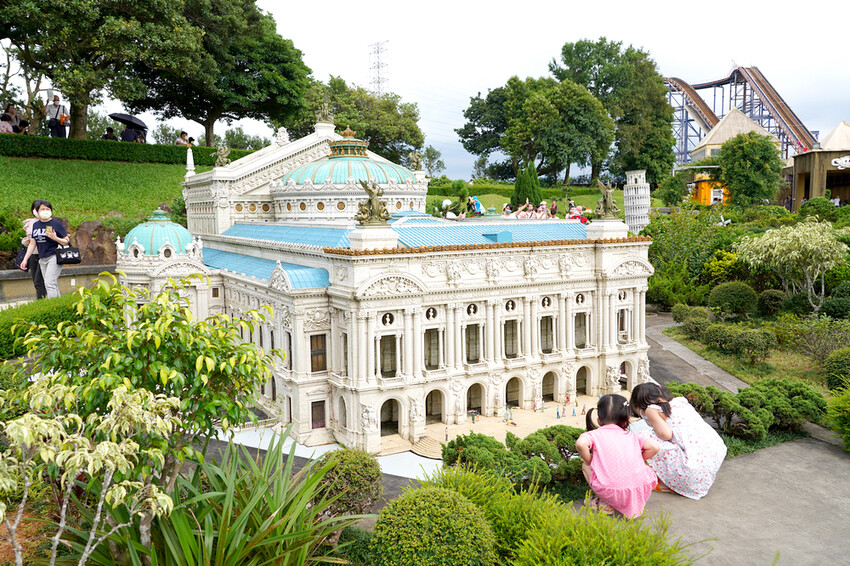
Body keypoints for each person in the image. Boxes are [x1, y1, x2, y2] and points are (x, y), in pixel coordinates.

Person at [630, 382, 727, 500]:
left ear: (641, 405)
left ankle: (666, 482)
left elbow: (665, 434)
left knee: (645, 438)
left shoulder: (651, 409)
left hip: (692, 468)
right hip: (710, 458)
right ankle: (677, 482)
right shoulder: (680, 402)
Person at [575, 394, 659, 517]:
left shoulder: (595, 435)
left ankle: (603, 504)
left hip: (612, 491)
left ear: (599, 420)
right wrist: (638, 459)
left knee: (585, 466)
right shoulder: (632, 436)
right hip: (641, 488)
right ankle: (631, 502)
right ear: (626, 419)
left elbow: (581, 444)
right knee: (642, 469)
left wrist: (590, 461)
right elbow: (655, 447)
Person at [20, 200, 70, 299]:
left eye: (48, 209)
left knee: (49, 283)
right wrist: (25, 259)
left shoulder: (56, 224)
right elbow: (33, 243)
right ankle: (59, 304)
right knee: (52, 284)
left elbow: (66, 241)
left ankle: (52, 307)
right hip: (42, 258)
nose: (45, 211)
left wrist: (55, 238)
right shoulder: (36, 225)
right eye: (43, 209)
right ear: (37, 211)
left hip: (54, 256)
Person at [20, 201, 47, 299]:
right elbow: (30, 240)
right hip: (33, 254)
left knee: (40, 280)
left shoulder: (49, 222)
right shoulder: (30, 222)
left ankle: (41, 301)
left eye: (45, 209)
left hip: (45, 254)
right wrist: (25, 241)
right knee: (36, 281)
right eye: (39, 209)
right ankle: (41, 300)